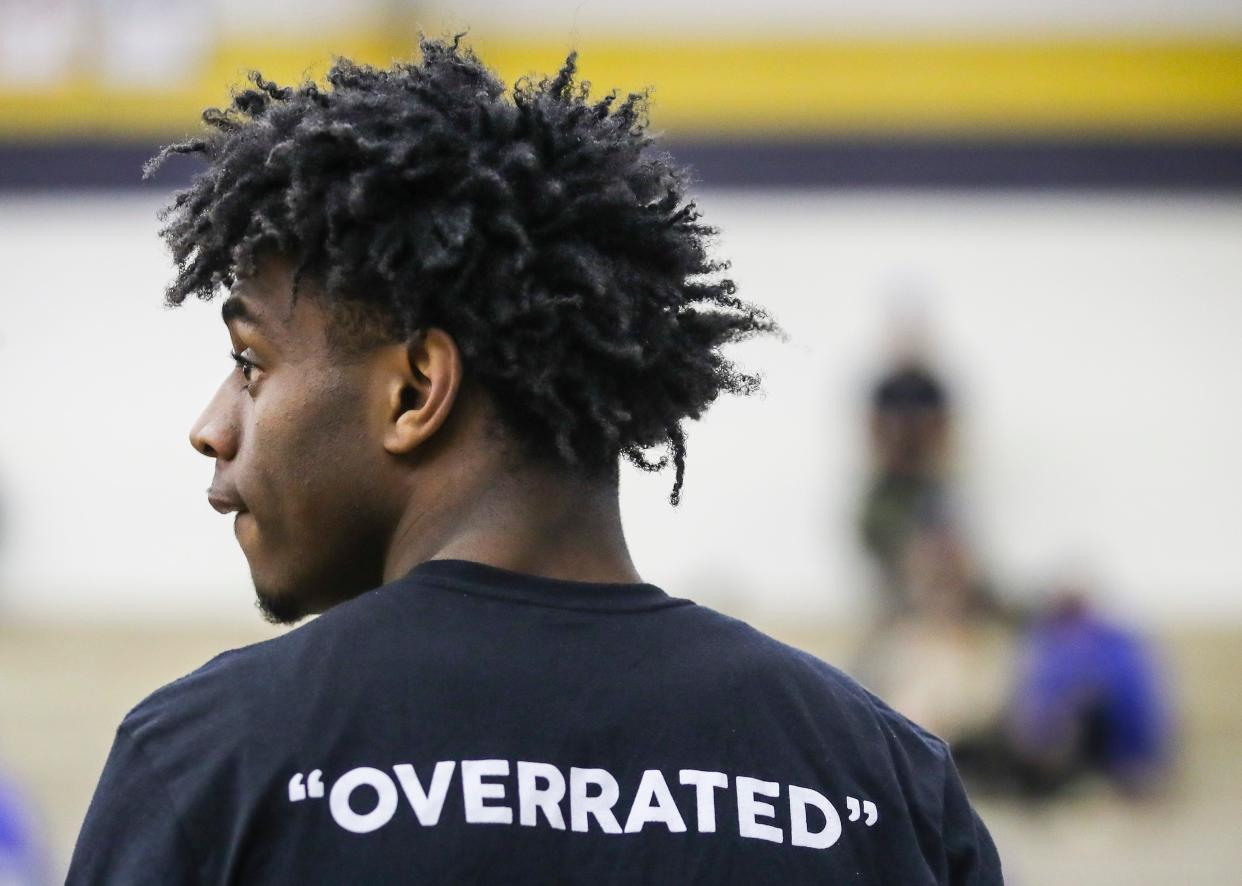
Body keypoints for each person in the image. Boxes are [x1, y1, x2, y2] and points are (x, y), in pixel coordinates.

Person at [68, 39, 1001, 884]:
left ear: (414, 391)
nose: (212, 425)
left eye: (250, 365)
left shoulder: (213, 761)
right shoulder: (878, 785)